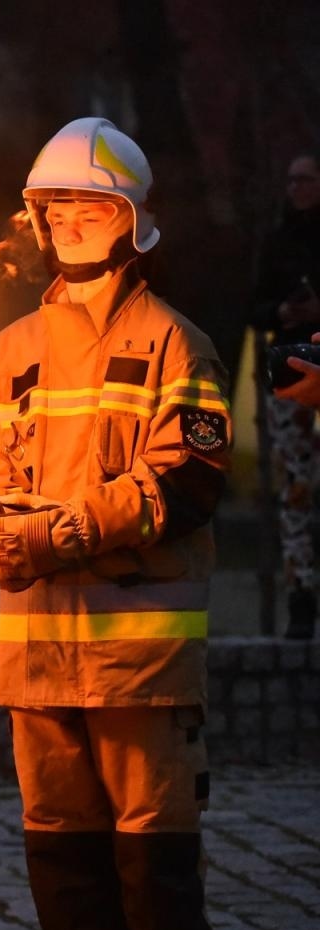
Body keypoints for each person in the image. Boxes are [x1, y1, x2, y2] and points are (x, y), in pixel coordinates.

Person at [0, 118, 225, 930]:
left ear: (129, 218)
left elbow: (186, 486)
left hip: (141, 655)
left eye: (89, 203)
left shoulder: (178, 346)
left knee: (153, 849)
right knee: (60, 842)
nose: (68, 220)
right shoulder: (7, 350)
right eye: (54, 205)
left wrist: (61, 532)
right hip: (34, 645)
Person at [248, 150, 320, 639]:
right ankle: (301, 598)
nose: (296, 188)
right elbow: (255, 306)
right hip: (291, 370)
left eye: (306, 180)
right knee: (294, 491)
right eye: (291, 180)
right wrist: (284, 312)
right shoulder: (277, 241)